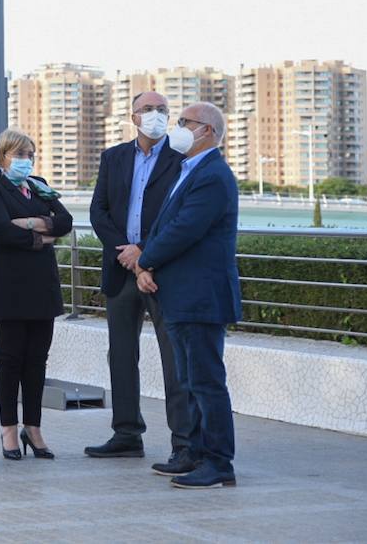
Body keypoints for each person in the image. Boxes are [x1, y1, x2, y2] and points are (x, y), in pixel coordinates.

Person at [135, 102, 243, 489]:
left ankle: (218, 463)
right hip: (181, 296)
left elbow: (185, 229)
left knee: (206, 382)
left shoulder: (213, 175)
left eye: (185, 122)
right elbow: (168, 226)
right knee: (190, 380)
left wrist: (143, 261)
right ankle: (196, 453)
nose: (177, 127)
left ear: (208, 132)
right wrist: (148, 266)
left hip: (201, 298)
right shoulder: (189, 170)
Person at [85, 90, 190, 464]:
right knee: (121, 355)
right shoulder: (113, 157)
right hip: (121, 270)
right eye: (148, 109)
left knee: (173, 357)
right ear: (133, 117)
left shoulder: (181, 161)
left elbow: (179, 216)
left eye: (163, 109)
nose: (156, 115)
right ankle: (126, 433)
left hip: (162, 272)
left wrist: (145, 251)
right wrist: (127, 254)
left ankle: (183, 442)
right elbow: (99, 210)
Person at [0, 129, 73, 460]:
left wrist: (29, 221)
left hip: (41, 286)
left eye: (30, 155)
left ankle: (33, 427)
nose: (26, 161)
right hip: (8, 286)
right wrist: (40, 236)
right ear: (3, 155)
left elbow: (64, 222)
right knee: (10, 359)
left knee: (37, 360)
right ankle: (8, 429)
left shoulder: (39, 185)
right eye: (19, 154)